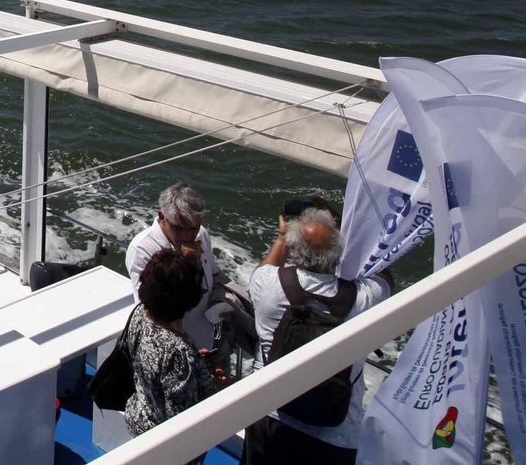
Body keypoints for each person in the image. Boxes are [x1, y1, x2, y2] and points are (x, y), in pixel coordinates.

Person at [244, 207, 391, 464]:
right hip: (335, 435)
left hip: (269, 419)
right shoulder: (362, 299)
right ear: (337, 252)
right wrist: (351, 226)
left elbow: (265, 266)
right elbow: (385, 276)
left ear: (294, 248)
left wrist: (282, 237)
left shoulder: (269, 285)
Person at [122, 249, 216, 465]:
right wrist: (208, 384)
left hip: (140, 419)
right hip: (164, 447)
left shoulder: (139, 314)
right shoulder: (178, 351)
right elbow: (180, 421)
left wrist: (194, 366)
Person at [126, 184, 220, 349]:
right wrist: (186, 263)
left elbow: (214, 277)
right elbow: (150, 311)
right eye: (178, 228)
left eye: (193, 228)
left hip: (206, 339)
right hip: (171, 349)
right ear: (162, 217)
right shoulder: (142, 249)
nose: (187, 236)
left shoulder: (201, 234)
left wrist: (221, 303)